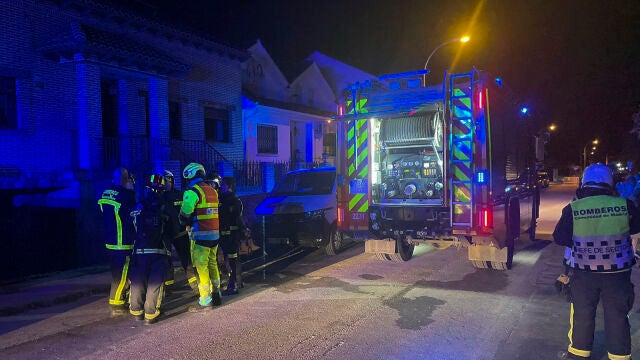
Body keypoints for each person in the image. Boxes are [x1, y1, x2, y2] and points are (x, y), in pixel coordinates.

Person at [553, 163, 640, 360]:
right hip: (618, 275)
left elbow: (560, 238)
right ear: (610, 184)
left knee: (582, 315)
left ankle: (578, 355)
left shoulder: (573, 208)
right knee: (618, 316)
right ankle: (620, 357)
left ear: (584, 183)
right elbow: (635, 231)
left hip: (584, 273)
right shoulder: (625, 206)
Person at [179, 162, 222, 311]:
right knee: (213, 264)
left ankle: (205, 299)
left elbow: (185, 215)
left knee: (201, 268)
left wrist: (184, 221)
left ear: (191, 175)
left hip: (201, 236)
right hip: (215, 235)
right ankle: (216, 294)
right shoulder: (212, 190)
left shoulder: (192, 192)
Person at [128, 174, 171, 325]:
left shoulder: (138, 206)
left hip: (139, 250)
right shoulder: (165, 206)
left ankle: (136, 312)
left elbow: (130, 228)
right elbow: (171, 229)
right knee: (155, 283)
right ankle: (150, 315)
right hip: (158, 251)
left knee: (138, 281)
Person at [98, 167, 137, 316]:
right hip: (123, 241)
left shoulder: (105, 193)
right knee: (122, 273)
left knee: (116, 272)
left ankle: (121, 299)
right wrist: (131, 190)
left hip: (110, 241)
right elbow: (133, 214)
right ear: (125, 180)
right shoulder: (125, 195)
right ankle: (116, 303)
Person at [162, 170, 198, 295]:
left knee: (187, 260)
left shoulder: (180, 194)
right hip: (165, 234)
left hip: (181, 232)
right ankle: (168, 287)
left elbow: (188, 210)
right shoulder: (159, 196)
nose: (165, 184)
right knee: (166, 262)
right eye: (163, 181)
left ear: (172, 181)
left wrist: (189, 224)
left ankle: (195, 285)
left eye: (167, 181)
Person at [219, 176, 246, 295]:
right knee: (229, 260)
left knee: (232, 260)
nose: (221, 186)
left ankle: (234, 284)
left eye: (223, 185)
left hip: (232, 235)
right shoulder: (223, 199)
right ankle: (236, 282)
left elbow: (238, 218)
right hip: (225, 235)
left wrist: (242, 232)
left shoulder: (234, 200)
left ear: (229, 186)